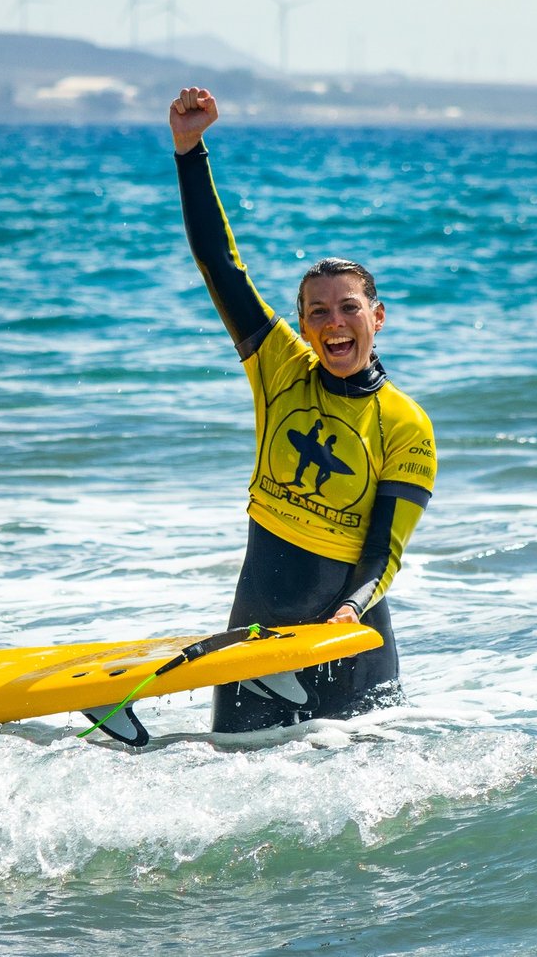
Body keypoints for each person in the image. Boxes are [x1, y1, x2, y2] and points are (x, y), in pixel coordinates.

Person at [170, 86, 437, 733]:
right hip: (256, 635)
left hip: (346, 644)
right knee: (233, 784)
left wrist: (348, 611)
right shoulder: (280, 369)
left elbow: (385, 551)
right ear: (303, 325)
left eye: (349, 308)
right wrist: (188, 150)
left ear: (377, 318)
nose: (334, 322)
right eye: (318, 311)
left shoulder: (406, 424)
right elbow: (221, 266)